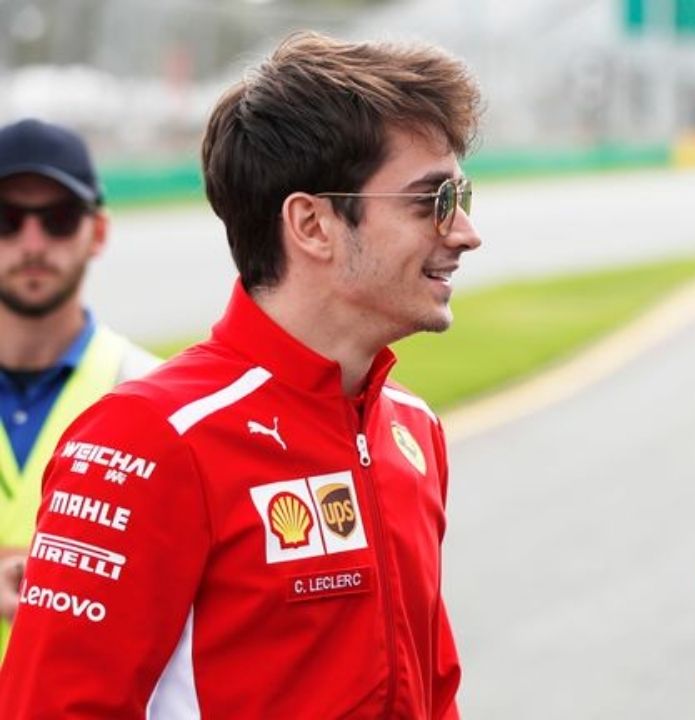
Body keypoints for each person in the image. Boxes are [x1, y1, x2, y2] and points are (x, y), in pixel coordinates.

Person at [0, 31, 482, 719]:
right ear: (312, 225)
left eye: (461, 196)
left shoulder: (412, 429)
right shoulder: (152, 438)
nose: (463, 230)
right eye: (430, 200)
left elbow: (435, 696)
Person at [0, 118, 158, 659]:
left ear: (98, 231)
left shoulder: (154, 394)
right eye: (7, 219)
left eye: (60, 219)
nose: (33, 243)